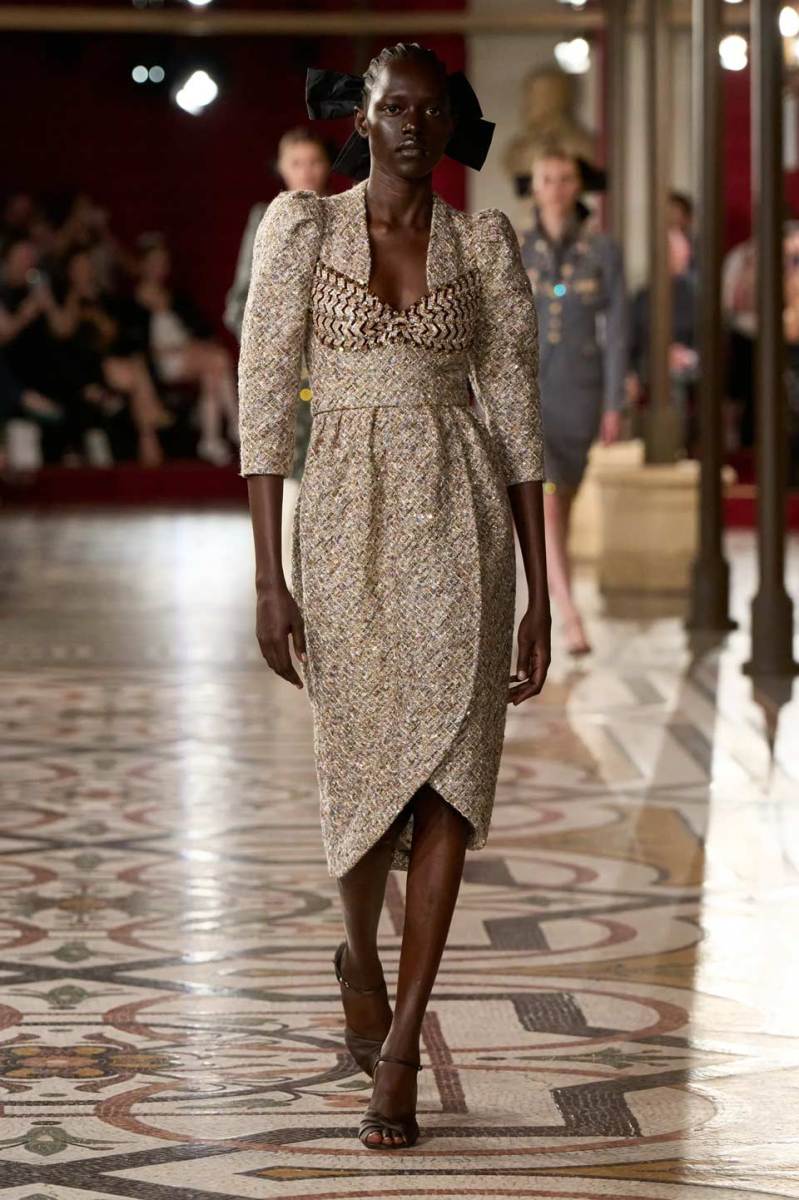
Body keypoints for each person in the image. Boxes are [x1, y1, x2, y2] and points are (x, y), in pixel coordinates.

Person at [238, 43, 550, 1151]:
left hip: (463, 525)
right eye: (394, 108)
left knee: (451, 784)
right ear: (359, 119)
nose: (413, 125)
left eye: (431, 110)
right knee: (363, 771)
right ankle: (360, 959)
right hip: (343, 526)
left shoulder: (483, 243)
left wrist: (539, 593)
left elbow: (516, 414)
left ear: (450, 124)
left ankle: (403, 1045)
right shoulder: (302, 229)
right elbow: (265, 402)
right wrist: (268, 576)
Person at [520, 145, 627, 656]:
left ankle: (553, 594)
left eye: (565, 178)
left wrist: (614, 402)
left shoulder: (602, 251)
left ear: (578, 186)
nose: (557, 188)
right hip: (528, 393)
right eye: (547, 178)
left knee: (563, 502)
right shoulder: (518, 249)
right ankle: (566, 614)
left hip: (580, 394)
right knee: (547, 503)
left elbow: (618, 332)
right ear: (534, 187)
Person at [225, 127, 332, 497]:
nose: (306, 171)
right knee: (283, 473)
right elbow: (242, 299)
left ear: (328, 165)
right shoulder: (265, 219)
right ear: (281, 167)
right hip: (281, 364)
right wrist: (268, 353)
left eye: (314, 162)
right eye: (296, 163)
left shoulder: (343, 214)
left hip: (334, 364)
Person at [133, 234, 238, 465]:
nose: (160, 268)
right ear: (143, 264)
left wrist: (194, 345)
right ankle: (234, 424)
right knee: (218, 360)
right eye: (154, 262)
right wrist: (181, 349)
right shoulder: (135, 300)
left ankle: (211, 441)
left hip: (189, 354)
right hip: (163, 362)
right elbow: (139, 346)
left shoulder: (174, 296)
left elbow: (198, 328)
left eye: (163, 262)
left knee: (213, 374)